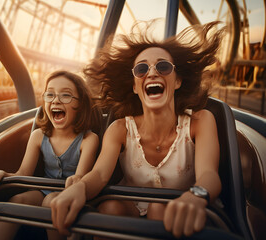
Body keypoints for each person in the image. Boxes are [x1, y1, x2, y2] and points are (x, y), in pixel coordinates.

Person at [50, 21, 224, 239]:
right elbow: (100, 174)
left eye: (163, 67)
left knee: (160, 209)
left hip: (184, 213)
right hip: (132, 211)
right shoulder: (119, 129)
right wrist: (80, 189)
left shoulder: (200, 121)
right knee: (109, 209)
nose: (152, 73)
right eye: (142, 69)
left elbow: (209, 174)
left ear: (177, 80)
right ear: (134, 86)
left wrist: (197, 195)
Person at [0, 70, 99, 240]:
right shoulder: (38, 136)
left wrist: (72, 187)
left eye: (65, 95)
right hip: (43, 191)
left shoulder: (88, 139)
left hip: (73, 194)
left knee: (50, 202)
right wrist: (4, 174)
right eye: (50, 94)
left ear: (80, 105)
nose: (56, 100)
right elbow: (23, 174)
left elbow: (79, 178)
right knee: (18, 200)